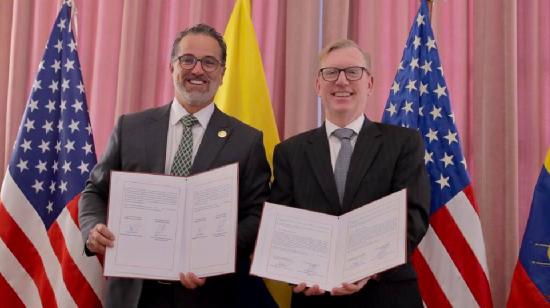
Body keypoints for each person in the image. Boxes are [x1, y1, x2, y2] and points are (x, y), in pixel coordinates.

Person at [79, 24, 271, 308]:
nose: (197, 70)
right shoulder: (130, 127)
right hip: (134, 294)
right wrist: (93, 229)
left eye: (209, 62)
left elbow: (257, 214)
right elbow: (95, 190)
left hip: (210, 293)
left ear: (222, 73)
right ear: (172, 67)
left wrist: (211, 254)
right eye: (188, 60)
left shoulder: (247, 141)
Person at [269, 39, 430, 307]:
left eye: (353, 72)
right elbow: (281, 224)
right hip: (316, 297)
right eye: (330, 72)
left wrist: (370, 268)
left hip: (387, 294)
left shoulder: (404, 143)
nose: (341, 81)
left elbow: (414, 216)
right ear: (318, 85)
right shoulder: (289, 152)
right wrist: (296, 273)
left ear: (369, 83)